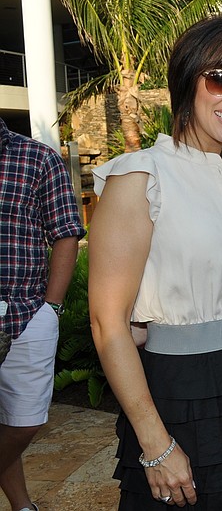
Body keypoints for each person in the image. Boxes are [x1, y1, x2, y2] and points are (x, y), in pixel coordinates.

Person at [88, 16, 222, 509]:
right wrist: (154, 441)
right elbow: (108, 323)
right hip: (181, 391)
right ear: (188, 77)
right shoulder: (139, 178)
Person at [0, 119, 85, 511]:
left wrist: (51, 308)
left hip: (25, 313)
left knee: (25, 420)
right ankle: (22, 506)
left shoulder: (37, 158)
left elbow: (67, 232)